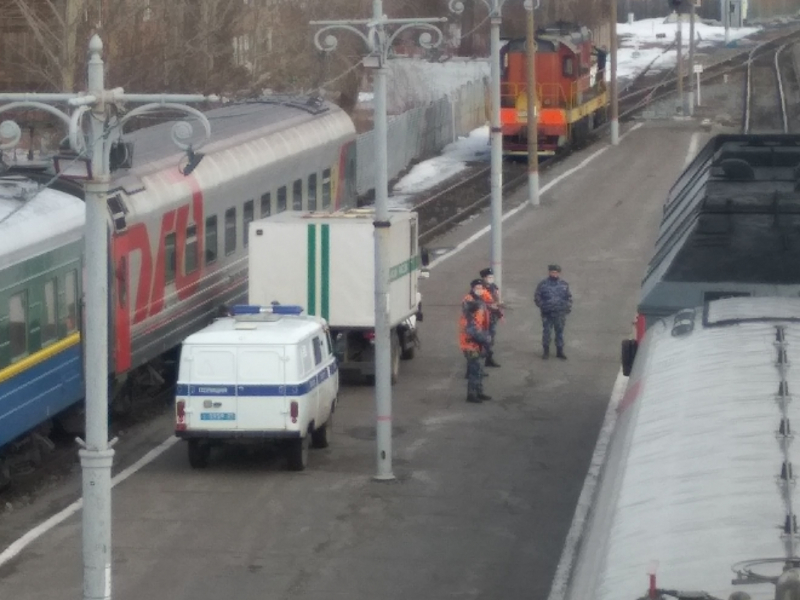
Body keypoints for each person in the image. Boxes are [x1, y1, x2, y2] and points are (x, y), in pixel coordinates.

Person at [459, 282, 492, 403]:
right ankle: (472, 394)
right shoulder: (469, 316)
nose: (480, 290)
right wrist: (485, 340)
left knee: (478, 369)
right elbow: (474, 331)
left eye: (481, 288)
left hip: (475, 344)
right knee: (474, 370)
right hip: (470, 344)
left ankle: (478, 392)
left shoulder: (477, 306)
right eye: (477, 288)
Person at [534, 264, 572, 360]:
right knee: (547, 332)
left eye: (556, 272)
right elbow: (537, 297)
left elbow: (568, 297)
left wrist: (567, 308)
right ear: (549, 272)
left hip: (560, 313)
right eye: (552, 272)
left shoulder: (564, 284)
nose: (554, 274)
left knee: (559, 332)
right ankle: (546, 351)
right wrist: (543, 306)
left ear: (559, 273)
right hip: (547, 313)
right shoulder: (543, 284)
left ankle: (560, 351)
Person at [479, 267, 503, 368]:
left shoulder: (493, 287)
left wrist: (500, 313)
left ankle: (488, 360)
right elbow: (477, 303)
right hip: (483, 318)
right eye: (489, 277)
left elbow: (496, 299)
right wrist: (489, 306)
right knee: (482, 340)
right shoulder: (479, 288)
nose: (490, 278)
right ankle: (477, 364)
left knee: (491, 339)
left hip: (492, 317)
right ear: (484, 278)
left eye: (491, 276)